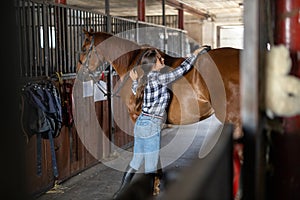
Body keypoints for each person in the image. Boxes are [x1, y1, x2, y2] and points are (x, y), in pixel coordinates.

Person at [112, 47, 207, 199]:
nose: (163, 60)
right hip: (152, 125)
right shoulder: (159, 77)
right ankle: (149, 195)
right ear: (153, 65)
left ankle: (120, 192)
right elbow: (181, 70)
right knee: (150, 166)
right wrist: (194, 54)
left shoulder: (144, 78)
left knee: (136, 160)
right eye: (159, 59)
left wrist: (135, 80)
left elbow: (136, 90)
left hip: (142, 123)